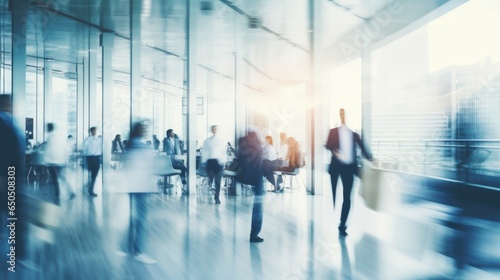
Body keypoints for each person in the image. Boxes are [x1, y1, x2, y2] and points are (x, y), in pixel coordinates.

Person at [325, 108, 372, 236]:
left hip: (349, 168)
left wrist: (372, 159)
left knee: (347, 197)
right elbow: (328, 145)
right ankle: (333, 215)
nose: (342, 116)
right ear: (339, 116)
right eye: (341, 113)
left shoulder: (354, 135)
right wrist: (335, 151)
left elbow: (364, 149)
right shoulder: (333, 132)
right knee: (335, 194)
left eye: (344, 114)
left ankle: (342, 224)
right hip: (336, 167)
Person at [120, 122, 157, 264]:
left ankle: (125, 248)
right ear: (139, 131)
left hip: (132, 186)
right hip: (140, 186)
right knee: (141, 219)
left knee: (133, 218)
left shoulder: (130, 145)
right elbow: (147, 166)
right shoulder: (140, 146)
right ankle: (138, 251)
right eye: (144, 129)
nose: (146, 130)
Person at [236, 130, 265, 242]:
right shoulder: (256, 145)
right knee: (258, 207)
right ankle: (254, 234)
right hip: (257, 178)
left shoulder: (242, 145)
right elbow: (259, 163)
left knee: (258, 206)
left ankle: (254, 234)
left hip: (246, 177)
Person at [43, 123, 75, 201]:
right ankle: (67, 192)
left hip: (53, 162)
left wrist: (45, 160)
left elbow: (49, 151)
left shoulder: (50, 137)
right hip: (60, 161)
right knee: (62, 177)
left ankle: (58, 193)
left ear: (48, 128)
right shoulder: (58, 137)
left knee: (55, 178)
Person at [201, 125, 227, 204]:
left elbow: (223, 152)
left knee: (218, 180)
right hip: (210, 162)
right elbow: (204, 151)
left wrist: (223, 162)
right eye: (213, 129)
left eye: (215, 129)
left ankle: (217, 198)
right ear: (211, 130)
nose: (214, 130)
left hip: (218, 162)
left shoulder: (221, 140)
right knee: (210, 178)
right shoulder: (207, 140)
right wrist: (204, 162)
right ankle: (211, 187)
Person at [82, 127, 102, 197]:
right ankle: (91, 189)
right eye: (93, 131)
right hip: (90, 158)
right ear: (90, 131)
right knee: (93, 173)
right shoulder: (87, 140)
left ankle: (90, 188)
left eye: (95, 131)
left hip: (97, 157)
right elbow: (84, 150)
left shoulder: (99, 140)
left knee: (95, 174)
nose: (94, 132)